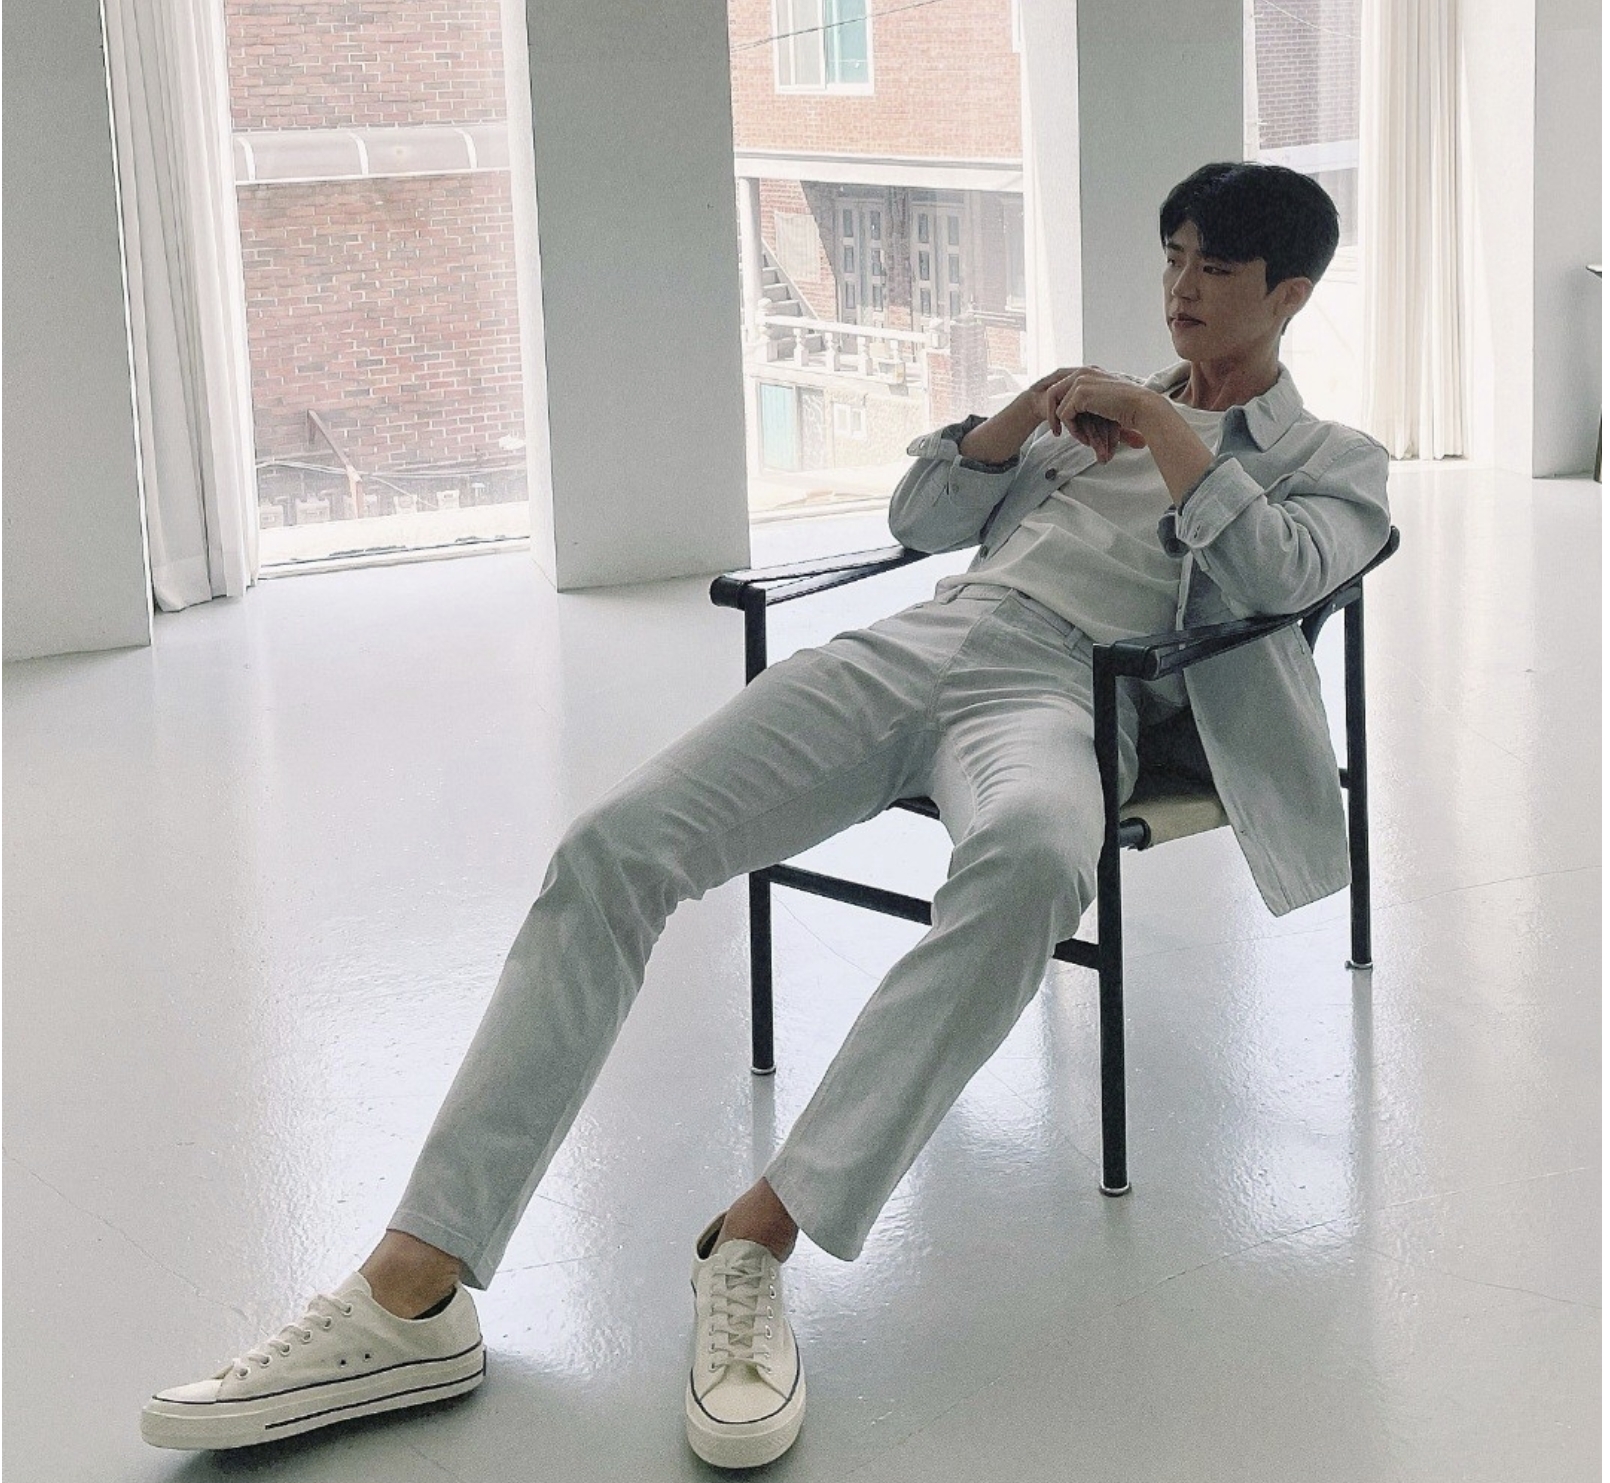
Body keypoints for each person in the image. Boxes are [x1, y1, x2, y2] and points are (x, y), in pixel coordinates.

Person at [140, 161, 1391, 1469]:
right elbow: (920, 519)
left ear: (1289, 295)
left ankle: (756, 1238)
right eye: (1172, 256)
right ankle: (415, 1284)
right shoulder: (1090, 418)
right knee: (613, 847)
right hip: (924, 641)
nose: (1181, 288)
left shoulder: (1332, 461)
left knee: (1034, 860)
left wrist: (1163, 425)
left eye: (1216, 269)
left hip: (1072, 692)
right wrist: (1025, 412)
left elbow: (1280, 574)